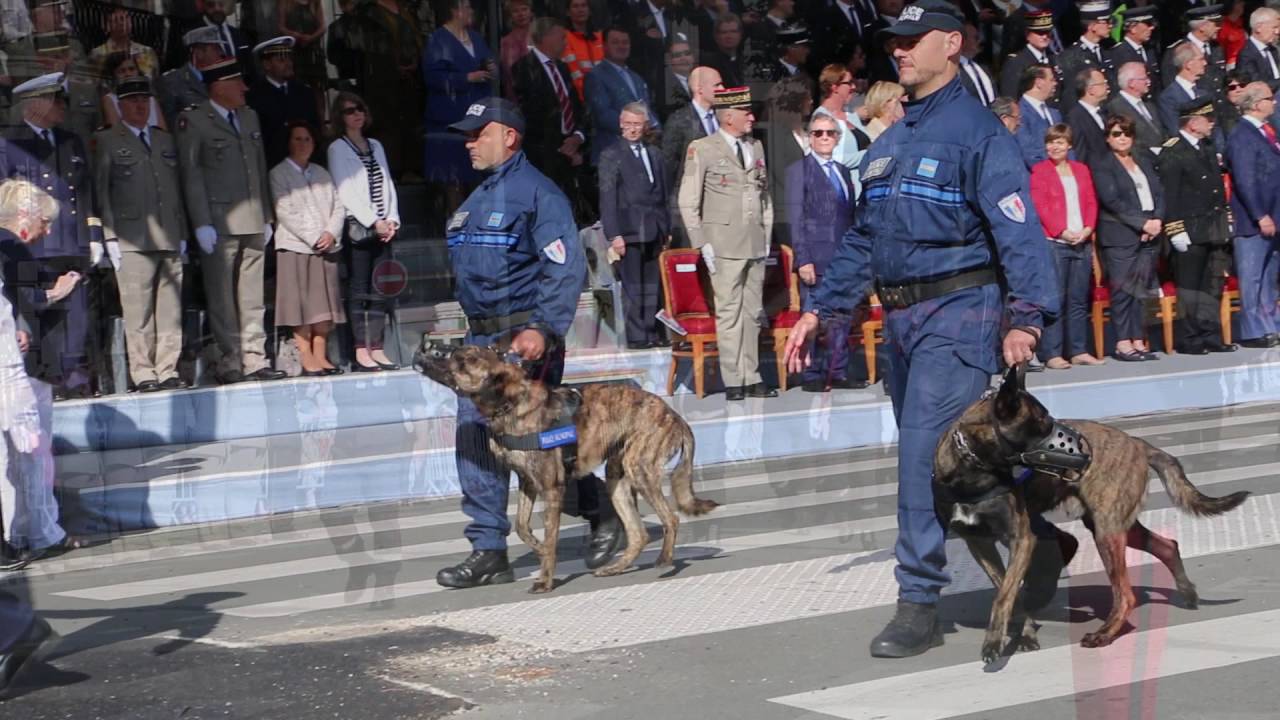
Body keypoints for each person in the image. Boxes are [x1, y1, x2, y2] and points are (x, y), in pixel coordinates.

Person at [783, 0, 1066, 659]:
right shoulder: (893, 141)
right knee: (957, 464)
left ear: (954, 44)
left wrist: (1025, 318)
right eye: (895, 41)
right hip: (902, 322)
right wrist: (822, 308)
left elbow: (1017, 230)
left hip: (960, 315)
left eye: (913, 40)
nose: (900, 51)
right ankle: (1042, 541)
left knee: (919, 459)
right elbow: (863, 240)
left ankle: (917, 604)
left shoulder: (978, 133)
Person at [435, 97, 622, 588]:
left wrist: (542, 328)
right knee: (476, 439)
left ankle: (599, 508)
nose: (469, 143)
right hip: (482, 342)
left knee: (540, 445)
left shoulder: (540, 195)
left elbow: (565, 269)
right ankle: (488, 548)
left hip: (524, 343)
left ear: (509, 136)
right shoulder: (476, 199)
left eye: (478, 134)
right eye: (467, 136)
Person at [176, 59, 287, 385]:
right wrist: (201, 222)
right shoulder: (194, 120)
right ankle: (230, 360)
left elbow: (259, 165)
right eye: (237, 82)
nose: (244, 88)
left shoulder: (248, 116)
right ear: (218, 86)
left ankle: (255, 358)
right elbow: (191, 174)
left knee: (252, 298)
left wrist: (267, 214)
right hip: (219, 221)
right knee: (223, 299)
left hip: (252, 218)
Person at [3, 72, 106, 400]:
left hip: (70, 244)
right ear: (34, 104)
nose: (63, 106)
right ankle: (48, 383)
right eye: (55, 100)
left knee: (75, 321)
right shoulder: (8, 144)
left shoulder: (70, 140)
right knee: (39, 319)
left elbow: (84, 191)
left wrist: (93, 234)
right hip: (33, 247)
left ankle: (69, 377)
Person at [0, 178, 82, 569]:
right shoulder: (11, 246)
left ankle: (23, 533)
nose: (47, 231)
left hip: (14, 360)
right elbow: (26, 298)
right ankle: (40, 532)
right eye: (44, 222)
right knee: (32, 451)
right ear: (25, 217)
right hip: (19, 368)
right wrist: (59, 291)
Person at [677, 86, 776, 402]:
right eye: (746, 112)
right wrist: (701, 242)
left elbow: (765, 198)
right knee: (729, 311)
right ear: (728, 116)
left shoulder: (755, 147)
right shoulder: (703, 148)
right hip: (722, 243)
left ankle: (752, 375)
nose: (752, 117)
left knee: (752, 312)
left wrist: (768, 237)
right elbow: (687, 200)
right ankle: (734, 378)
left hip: (754, 242)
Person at [93, 76, 187, 393]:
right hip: (131, 238)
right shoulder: (108, 141)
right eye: (133, 101)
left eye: (144, 101)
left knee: (170, 310)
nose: (140, 106)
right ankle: (143, 371)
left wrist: (183, 231)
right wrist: (108, 237)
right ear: (120, 106)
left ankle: (167, 368)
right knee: (139, 312)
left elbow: (176, 189)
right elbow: (103, 191)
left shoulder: (163, 140)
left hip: (169, 233)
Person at [785, 113, 862, 392]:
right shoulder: (799, 171)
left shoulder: (841, 171)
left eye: (830, 133)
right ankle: (811, 374)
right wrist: (802, 258)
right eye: (818, 133)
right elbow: (795, 218)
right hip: (814, 258)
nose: (825, 137)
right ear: (809, 137)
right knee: (812, 316)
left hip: (842, 258)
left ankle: (837, 370)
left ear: (838, 137)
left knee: (841, 316)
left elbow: (849, 216)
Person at [327, 91, 402, 372]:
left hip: (384, 225)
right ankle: (361, 348)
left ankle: (378, 346)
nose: (356, 114)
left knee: (381, 287)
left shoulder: (375, 145)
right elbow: (345, 190)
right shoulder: (338, 148)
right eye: (349, 111)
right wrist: (374, 221)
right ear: (340, 117)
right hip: (361, 227)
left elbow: (387, 181)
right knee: (360, 289)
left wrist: (391, 218)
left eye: (359, 108)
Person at [1158, 97, 1236, 356]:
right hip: (1189, 229)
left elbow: (1214, 190)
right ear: (1192, 123)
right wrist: (1175, 228)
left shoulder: (1206, 146)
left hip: (1212, 228)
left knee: (1211, 285)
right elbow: (1170, 194)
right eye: (1207, 118)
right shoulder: (1174, 150)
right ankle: (1190, 338)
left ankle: (1210, 335)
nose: (1212, 123)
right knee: (1190, 287)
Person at [271, 121, 346, 377]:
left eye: (308, 139)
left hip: (326, 247)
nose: (303, 144)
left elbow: (338, 206)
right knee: (299, 305)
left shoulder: (321, 173)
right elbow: (285, 211)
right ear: (289, 143)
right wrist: (314, 237)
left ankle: (320, 352)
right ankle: (304, 354)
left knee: (323, 304)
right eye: (298, 139)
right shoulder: (278, 174)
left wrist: (330, 234)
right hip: (296, 247)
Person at [1090, 114, 1165, 362]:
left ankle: (1137, 339)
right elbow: (1112, 201)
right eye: (1116, 134)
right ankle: (1122, 342)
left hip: (1149, 232)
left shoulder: (1142, 159)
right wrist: (1142, 223)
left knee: (1139, 289)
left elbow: (1159, 191)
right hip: (1120, 234)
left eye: (1126, 133)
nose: (1122, 138)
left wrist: (1156, 221)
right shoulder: (1102, 163)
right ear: (1108, 138)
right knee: (1122, 289)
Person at [1029, 124, 1101, 370]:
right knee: (1056, 299)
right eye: (1050, 142)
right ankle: (1053, 352)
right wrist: (1062, 231)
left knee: (1079, 299)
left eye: (1059, 142)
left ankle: (1079, 349)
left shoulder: (1081, 170)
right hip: (1056, 243)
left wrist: (1088, 229)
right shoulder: (1040, 171)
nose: (1054, 147)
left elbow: (1091, 201)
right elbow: (1041, 206)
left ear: (1069, 145)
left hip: (1082, 241)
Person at [597, 102, 669, 349]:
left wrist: (666, 228)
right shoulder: (611, 155)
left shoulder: (655, 153)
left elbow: (663, 193)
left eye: (637, 124)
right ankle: (637, 336)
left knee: (653, 284)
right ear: (620, 124)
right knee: (633, 286)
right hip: (628, 230)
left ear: (645, 126)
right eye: (627, 124)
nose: (632, 129)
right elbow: (607, 197)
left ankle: (652, 332)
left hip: (654, 229)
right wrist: (614, 234)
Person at [422, 0, 495, 207]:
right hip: (451, 118)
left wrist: (491, 68)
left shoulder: (476, 38)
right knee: (453, 174)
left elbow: (488, 62)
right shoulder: (438, 40)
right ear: (455, 11)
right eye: (467, 7)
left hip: (478, 117)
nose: (472, 11)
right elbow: (433, 78)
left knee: (477, 172)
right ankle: (455, 221)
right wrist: (467, 78)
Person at [1225, 81, 1280, 349]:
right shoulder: (1242, 135)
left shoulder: (1266, 131)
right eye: (1270, 98)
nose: (1275, 103)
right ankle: (1252, 330)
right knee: (1252, 276)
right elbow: (1246, 181)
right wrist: (1261, 215)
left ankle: (1271, 324)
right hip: (1254, 221)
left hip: (1274, 217)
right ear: (1257, 104)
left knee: (1269, 276)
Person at [246, 37, 323, 170]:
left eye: (289, 59)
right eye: (281, 60)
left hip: (306, 166)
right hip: (272, 165)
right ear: (266, 65)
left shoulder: (304, 92)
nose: (288, 64)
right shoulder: (253, 95)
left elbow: (315, 130)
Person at [585, 26, 657, 164]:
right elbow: (604, 115)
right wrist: (638, 127)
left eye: (625, 42)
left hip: (642, 150)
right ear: (604, 46)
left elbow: (648, 109)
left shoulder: (636, 77)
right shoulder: (596, 76)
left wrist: (655, 128)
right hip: (613, 153)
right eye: (615, 42)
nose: (621, 46)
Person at [158, 26, 226, 126]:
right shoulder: (172, 81)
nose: (220, 53)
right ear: (199, 53)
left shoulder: (222, 79)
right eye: (215, 48)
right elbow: (170, 123)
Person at [1054, 1, 1113, 108]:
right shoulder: (1071, 56)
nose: (1110, 25)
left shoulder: (1107, 52)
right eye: (1106, 21)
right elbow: (1071, 95)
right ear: (1092, 26)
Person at [813, 63, 871, 173]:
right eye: (849, 83)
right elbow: (829, 159)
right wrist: (869, 154)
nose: (853, 87)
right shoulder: (820, 118)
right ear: (834, 87)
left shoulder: (850, 115)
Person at [1106, 61, 1167, 157]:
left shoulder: (1149, 105)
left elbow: (1160, 131)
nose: (1148, 82)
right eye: (1144, 78)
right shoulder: (1116, 107)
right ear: (1131, 83)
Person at [100, 53, 166, 131]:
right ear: (113, 76)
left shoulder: (151, 98)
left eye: (131, 69)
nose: (128, 74)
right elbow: (116, 132)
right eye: (122, 71)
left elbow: (163, 132)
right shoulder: (109, 99)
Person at [89, 6, 159, 80]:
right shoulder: (97, 54)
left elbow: (156, 81)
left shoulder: (147, 51)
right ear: (107, 26)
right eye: (116, 20)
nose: (122, 23)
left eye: (125, 19)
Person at [1015, 63, 1062, 169]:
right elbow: (1028, 153)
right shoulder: (1019, 113)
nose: (1055, 83)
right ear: (1038, 82)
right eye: (1051, 80)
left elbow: (1067, 145)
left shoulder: (1055, 113)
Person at [1107, 5, 1161, 90]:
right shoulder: (1119, 54)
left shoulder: (1149, 50)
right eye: (1148, 24)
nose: (1152, 27)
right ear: (1133, 28)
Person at [1065, 68, 1110, 166]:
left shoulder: (1105, 113)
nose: (1107, 86)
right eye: (1103, 83)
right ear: (1090, 90)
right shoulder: (1075, 117)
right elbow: (1080, 153)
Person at [562, 0, 604, 99]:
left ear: (589, 10)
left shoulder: (600, 37)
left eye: (584, 5)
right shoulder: (563, 38)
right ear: (568, 12)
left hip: (605, 95)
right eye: (575, 6)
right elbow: (573, 74)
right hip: (581, 98)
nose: (580, 10)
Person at [1234, 6, 1280, 87]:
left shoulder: (1273, 50)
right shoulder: (1246, 55)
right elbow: (1256, 85)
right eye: (1274, 27)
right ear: (1259, 28)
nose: (1277, 32)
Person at [499, 0, 534, 101]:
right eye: (515, 11)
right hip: (515, 100)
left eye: (524, 9)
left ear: (531, 12)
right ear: (510, 16)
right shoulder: (505, 42)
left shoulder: (541, 37)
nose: (521, 14)